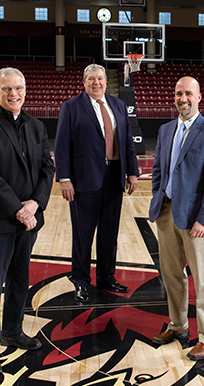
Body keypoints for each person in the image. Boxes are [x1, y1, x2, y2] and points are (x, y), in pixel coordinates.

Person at [0, 67, 55, 375]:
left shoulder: (35, 126)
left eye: (18, 88)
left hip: (28, 219)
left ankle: (13, 331)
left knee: (20, 281)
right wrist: (18, 208)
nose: (13, 94)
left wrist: (35, 204)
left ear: (25, 90)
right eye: (7, 89)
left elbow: (47, 169)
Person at [148, 76, 204, 361]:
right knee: (171, 275)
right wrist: (158, 195)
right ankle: (178, 325)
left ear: (199, 97)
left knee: (203, 281)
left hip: (197, 219)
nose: (183, 99)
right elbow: (159, 169)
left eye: (189, 94)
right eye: (179, 93)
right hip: (167, 213)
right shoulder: (166, 129)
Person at [54, 64, 139, 304]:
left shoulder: (118, 106)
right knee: (83, 235)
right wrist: (65, 178)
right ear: (84, 82)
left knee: (109, 233)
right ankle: (81, 282)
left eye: (100, 78)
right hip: (83, 181)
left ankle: (106, 276)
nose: (96, 83)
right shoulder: (71, 107)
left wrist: (132, 172)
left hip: (114, 178)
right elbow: (61, 145)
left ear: (106, 81)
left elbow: (128, 142)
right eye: (91, 79)